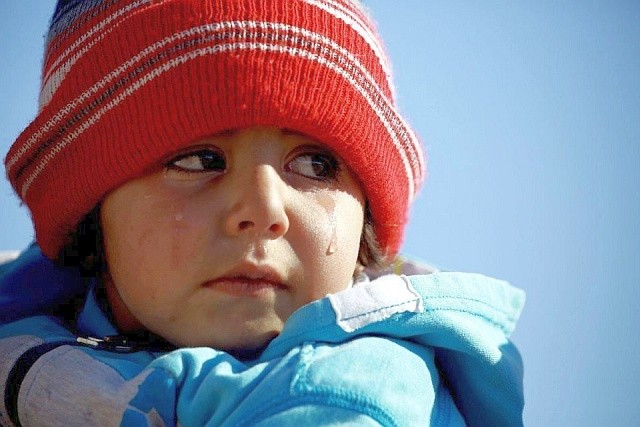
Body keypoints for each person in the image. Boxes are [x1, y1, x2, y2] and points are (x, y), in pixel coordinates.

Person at [0, 0, 525, 425]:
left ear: (365, 223)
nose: (264, 209)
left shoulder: (349, 392)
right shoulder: (23, 319)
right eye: (199, 160)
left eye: (316, 165)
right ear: (90, 209)